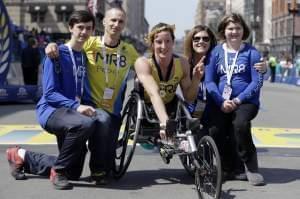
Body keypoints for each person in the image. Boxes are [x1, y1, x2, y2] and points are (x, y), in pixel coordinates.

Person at [45, 5, 139, 184]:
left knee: (86, 170)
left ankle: (24, 157)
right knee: (101, 124)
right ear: (104, 22)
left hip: (114, 110)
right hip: (90, 107)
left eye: (120, 21)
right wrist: (51, 46)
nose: (116, 24)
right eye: (113, 20)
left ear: (124, 25)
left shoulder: (129, 50)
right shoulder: (90, 42)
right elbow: (71, 46)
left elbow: (145, 67)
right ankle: (96, 171)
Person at [6, 10, 97, 190]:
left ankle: (21, 156)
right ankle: (58, 170)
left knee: (73, 172)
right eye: (80, 27)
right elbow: (50, 94)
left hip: (71, 114)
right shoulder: (55, 54)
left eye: (88, 28)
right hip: (51, 110)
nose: (84, 32)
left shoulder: (84, 57)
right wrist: (77, 107)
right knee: (83, 125)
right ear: (70, 28)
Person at [183, 25, 267, 181]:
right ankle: (214, 164)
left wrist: (263, 67)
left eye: (205, 38)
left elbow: (250, 68)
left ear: (211, 41)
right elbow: (187, 94)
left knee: (232, 126)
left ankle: (232, 167)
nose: (201, 41)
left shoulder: (217, 54)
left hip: (216, 104)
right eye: (197, 38)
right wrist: (195, 78)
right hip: (194, 109)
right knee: (213, 129)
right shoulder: (183, 62)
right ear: (190, 41)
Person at [204, 13, 265, 186]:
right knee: (215, 130)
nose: (234, 32)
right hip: (221, 101)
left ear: (243, 30)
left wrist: (238, 100)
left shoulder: (252, 52)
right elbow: (209, 81)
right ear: (224, 31)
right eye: (230, 28)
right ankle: (225, 167)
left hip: (246, 102)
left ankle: (250, 166)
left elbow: (257, 81)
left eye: (238, 28)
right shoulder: (216, 53)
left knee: (240, 125)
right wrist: (221, 101)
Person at [134, 22, 204, 147]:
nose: (164, 46)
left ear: (173, 42)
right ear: (152, 44)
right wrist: (164, 122)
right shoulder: (143, 63)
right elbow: (153, 94)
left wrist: (196, 79)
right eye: (159, 42)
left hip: (170, 105)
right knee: (156, 101)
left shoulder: (182, 63)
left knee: (188, 123)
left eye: (167, 41)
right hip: (148, 108)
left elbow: (189, 97)